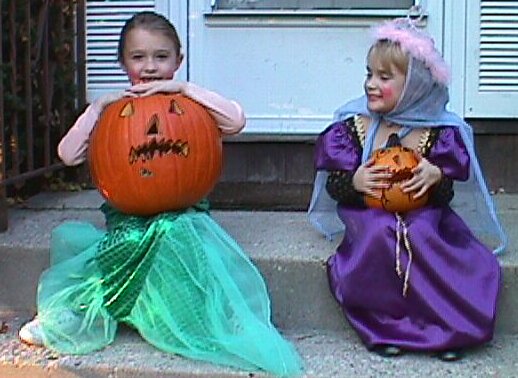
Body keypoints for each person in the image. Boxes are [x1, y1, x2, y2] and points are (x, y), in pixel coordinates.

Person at [19, 11, 303, 377]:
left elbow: (235, 121)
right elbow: (67, 154)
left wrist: (183, 91)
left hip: (183, 212)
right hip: (130, 215)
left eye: (161, 57)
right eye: (138, 57)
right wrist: (98, 108)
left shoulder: (188, 102)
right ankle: (76, 317)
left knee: (174, 234)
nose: (150, 67)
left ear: (178, 60)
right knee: (126, 244)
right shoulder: (112, 110)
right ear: (123, 62)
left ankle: (205, 316)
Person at [308, 16, 507, 362]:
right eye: (369, 74)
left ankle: (449, 327)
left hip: (424, 213)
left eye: (384, 78)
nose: (371, 84)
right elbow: (336, 185)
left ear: (414, 85)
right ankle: (383, 325)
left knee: (426, 236)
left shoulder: (437, 132)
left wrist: (435, 176)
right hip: (368, 212)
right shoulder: (355, 126)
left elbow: (445, 191)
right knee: (378, 235)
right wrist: (354, 181)